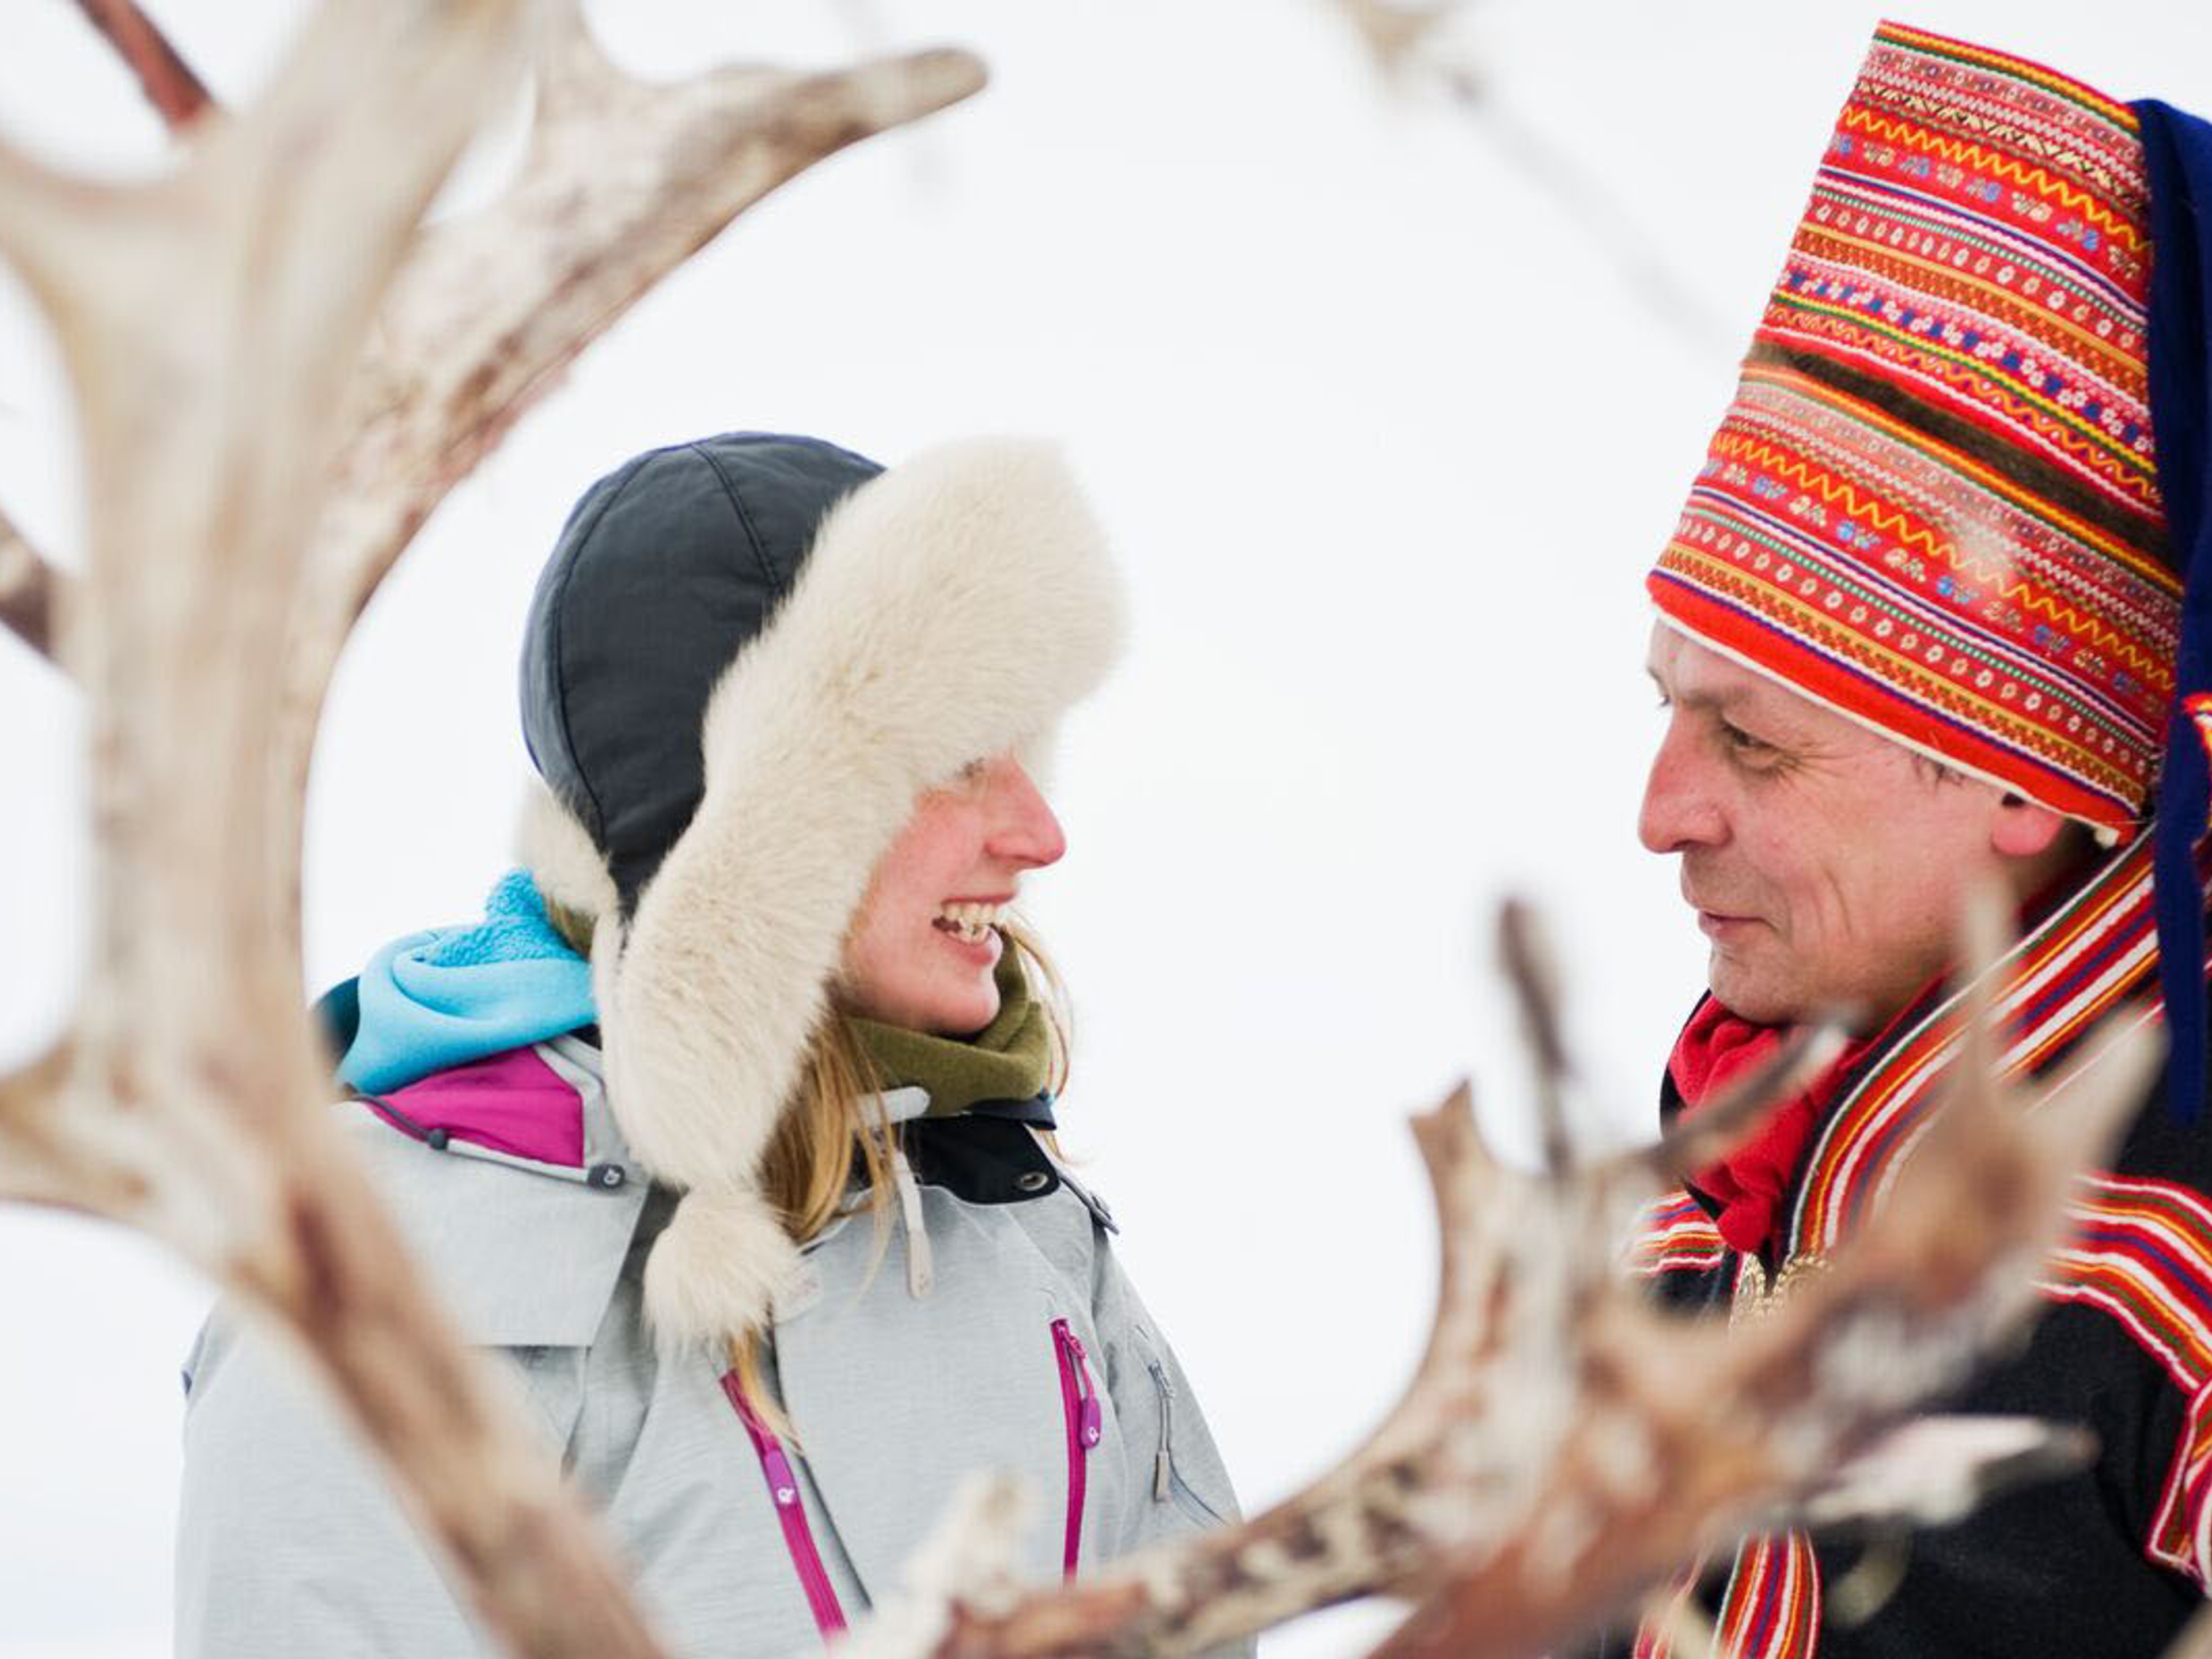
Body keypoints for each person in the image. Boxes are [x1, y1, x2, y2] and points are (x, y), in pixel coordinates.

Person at [174, 432, 1245, 1656]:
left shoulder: (1018, 1220)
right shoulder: (383, 1290)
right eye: (956, 758)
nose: (1041, 832)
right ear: (759, 826)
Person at [1600, 21, 2212, 1658]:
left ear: (2022, 783)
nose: (1661, 811)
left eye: (1751, 738)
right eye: (1663, 710)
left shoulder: (2179, 1271)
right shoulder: (1703, 1185)